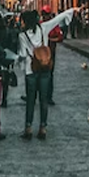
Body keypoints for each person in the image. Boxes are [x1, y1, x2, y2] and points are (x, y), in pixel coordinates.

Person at [16, 7, 75, 139]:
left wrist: (17, 62)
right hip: (45, 69)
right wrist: (71, 10)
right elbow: (58, 19)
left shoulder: (22, 36)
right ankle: (43, 128)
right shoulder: (44, 28)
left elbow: (23, 55)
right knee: (43, 100)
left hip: (30, 71)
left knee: (31, 101)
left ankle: (28, 128)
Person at [43, 6, 64, 104]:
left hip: (51, 52)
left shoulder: (54, 25)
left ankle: (49, 96)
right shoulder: (40, 24)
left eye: (46, 14)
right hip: (41, 53)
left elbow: (60, 38)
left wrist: (50, 40)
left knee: (49, 75)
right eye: (43, 14)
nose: (45, 16)